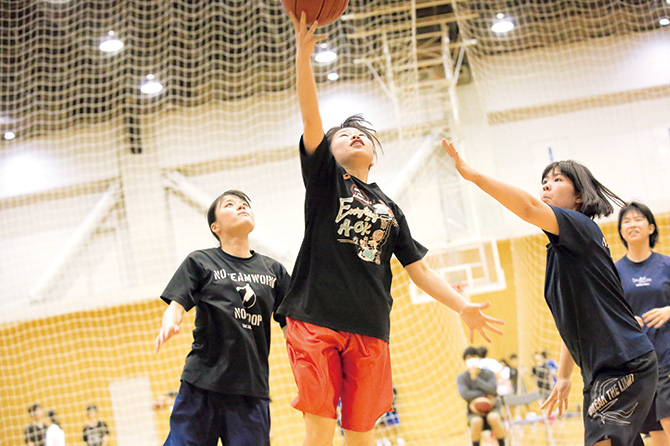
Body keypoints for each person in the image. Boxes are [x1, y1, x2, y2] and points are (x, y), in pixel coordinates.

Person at [276, 12, 505, 446]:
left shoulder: (389, 207)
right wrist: (303, 57)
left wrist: (462, 306)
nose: (353, 136)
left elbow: (420, 270)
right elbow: (311, 120)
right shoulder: (327, 181)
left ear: (374, 157)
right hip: (314, 319)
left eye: (361, 134)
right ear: (328, 152)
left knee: (360, 432)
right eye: (342, 135)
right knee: (320, 425)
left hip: (369, 324)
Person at [442, 141, 657, 446]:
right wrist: (565, 375)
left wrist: (474, 176)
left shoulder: (580, 228)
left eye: (557, 180)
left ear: (579, 195)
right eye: (544, 180)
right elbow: (574, 321)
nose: (546, 185)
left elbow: (528, 208)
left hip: (624, 363)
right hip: (599, 371)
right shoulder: (562, 252)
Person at [154, 190, 290, 446]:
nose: (241, 207)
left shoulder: (274, 271)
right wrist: (170, 320)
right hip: (202, 384)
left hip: (251, 389)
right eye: (230, 205)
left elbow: (291, 327)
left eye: (245, 204)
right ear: (215, 227)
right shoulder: (201, 261)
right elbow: (176, 304)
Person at [615, 202, 670, 446]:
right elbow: (608, 316)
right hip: (638, 365)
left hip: (668, 357)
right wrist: (626, 321)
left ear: (650, 227)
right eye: (626, 221)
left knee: (668, 416)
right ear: (620, 231)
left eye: (637, 219)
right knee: (657, 435)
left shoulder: (666, 265)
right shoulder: (613, 272)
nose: (632, 224)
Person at [456, 346, 507, 446]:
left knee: (494, 418)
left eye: (474, 357)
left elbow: (493, 389)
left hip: (492, 407)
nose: (471, 360)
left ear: (479, 358)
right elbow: (465, 394)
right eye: (468, 358)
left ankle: (502, 444)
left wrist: (476, 379)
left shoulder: (489, 373)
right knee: (476, 422)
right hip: (473, 410)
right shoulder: (462, 377)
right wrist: (484, 395)